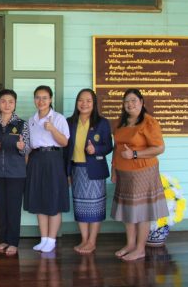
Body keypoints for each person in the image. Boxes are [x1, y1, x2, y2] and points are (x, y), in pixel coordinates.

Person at [111, 88, 168, 261]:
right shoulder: (121, 122)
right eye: (126, 101)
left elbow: (159, 148)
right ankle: (130, 244)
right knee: (128, 210)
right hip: (124, 173)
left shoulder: (149, 122)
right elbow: (117, 148)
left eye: (133, 100)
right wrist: (114, 170)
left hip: (143, 172)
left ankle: (140, 248)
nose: (130, 104)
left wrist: (135, 154)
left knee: (142, 211)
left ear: (142, 102)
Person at [64, 89, 113, 254]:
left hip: (94, 169)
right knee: (80, 206)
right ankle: (84, 239)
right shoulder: (69, 122)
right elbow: (66, 150)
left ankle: (92, 241)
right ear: (76, 102)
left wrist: (96, 149)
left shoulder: (102, 123)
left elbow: (108, 146)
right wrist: (67, 172)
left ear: (94, 104)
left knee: (95, 206)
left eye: (88, 100)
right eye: (81, 100)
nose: (84, 103)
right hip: (76, 169)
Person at [24, 85, 70, 253]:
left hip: (53, 159)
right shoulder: (31, 120)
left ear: (51, 99)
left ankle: (52, 239)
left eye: (44, 97)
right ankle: (43, 239)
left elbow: (64, 142)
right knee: (39, 199)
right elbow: (28, 146)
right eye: (37, 97)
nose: (41, 101)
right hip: (36, 160)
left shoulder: (58, 118)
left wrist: (52, 129)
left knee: (53, 199)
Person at [0, 89, 30, 256]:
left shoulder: (22, 125)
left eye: (11, 101)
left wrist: (22, 148)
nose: (7, 104)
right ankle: (4, 239)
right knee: (1, 207)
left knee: (13, 208)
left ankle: (13, 242)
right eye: (3, 101)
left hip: (16, 173)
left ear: (15, 104)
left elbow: (28, 149)